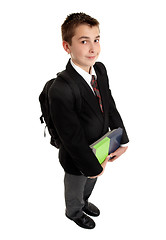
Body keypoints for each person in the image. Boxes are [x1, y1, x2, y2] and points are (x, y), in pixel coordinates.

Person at [48, 12, 129, 229]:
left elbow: (109, 104)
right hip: (77, 156)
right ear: (67, 46)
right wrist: (93, 167)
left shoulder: (100, 70)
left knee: (91, 182)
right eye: (84, 41)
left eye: (96, 40)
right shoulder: (61, 89)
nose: (93, 48)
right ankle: (73, 211)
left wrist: (123, 140)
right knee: (76, 185)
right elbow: (71, 138)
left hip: (100, 146)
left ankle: (84, 202)